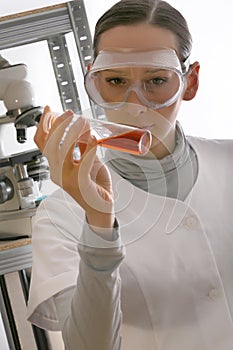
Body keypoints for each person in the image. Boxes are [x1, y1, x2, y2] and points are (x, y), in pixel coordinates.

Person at [27, 1, 233, 349]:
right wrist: (98, 223)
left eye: (156, 80)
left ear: (190, 83)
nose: (134, 104)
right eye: (116, 80)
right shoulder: (59, 215)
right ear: (92, 80)